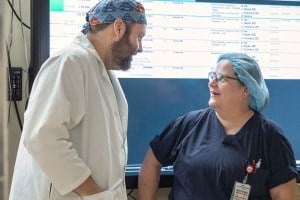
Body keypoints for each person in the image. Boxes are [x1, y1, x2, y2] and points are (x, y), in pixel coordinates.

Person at [9, 0, 147, 199]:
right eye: (139, 37)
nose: (139, 48)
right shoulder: (70, 62)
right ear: (118, 28)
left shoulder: (102, 73)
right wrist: (95, 195)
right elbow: (43, 139)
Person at [138, 52, 299, 200]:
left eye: (222, 78)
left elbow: (284, 195)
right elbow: (151, 163)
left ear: (245, 88)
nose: (211, 83)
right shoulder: (188, 124)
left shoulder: (270, 137)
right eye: (212, 76)